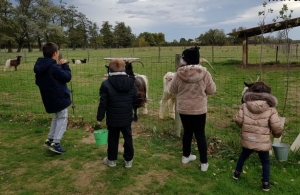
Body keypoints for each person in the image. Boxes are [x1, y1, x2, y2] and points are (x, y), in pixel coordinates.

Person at [169, 46, 216, 172]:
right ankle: (204, 163)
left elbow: (172, 90)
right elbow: (212, 90)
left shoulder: (178, 74)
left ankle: (186, 156)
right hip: (199, 109)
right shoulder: (205, 73)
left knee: (187, 132)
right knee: (200, 134)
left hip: (184, 109)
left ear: (186, 59)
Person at [233, 81, 284, 191]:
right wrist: (277, 135)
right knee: (265, 161)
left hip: (248, 139)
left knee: (243, 155)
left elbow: (238, 120)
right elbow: (277, 127)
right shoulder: (271, 109)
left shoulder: (245, 105)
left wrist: (244, 127)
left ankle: (236, 173)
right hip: (262, 140)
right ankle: (265, 183)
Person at [97, 59, 138, 168]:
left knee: (112, 138)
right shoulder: (131, 82)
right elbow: (135, 98)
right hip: (126, 117)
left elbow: (103, 103)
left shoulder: (106, 84)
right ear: (124, 69)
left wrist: (99, 118)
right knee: (128, 137)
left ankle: (112, 160)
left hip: (112, 118)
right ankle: (128, 160)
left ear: (110, 70)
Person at [34, 42, 72, 154]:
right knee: (63, 117)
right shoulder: (54, 67)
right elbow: (66, 77)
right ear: (55, 53)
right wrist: (65, 66)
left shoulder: (41, 67)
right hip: (58, 97)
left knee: (56, 116)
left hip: (48, 97)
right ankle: (56, 143)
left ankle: (50, 139)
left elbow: (42, 80)